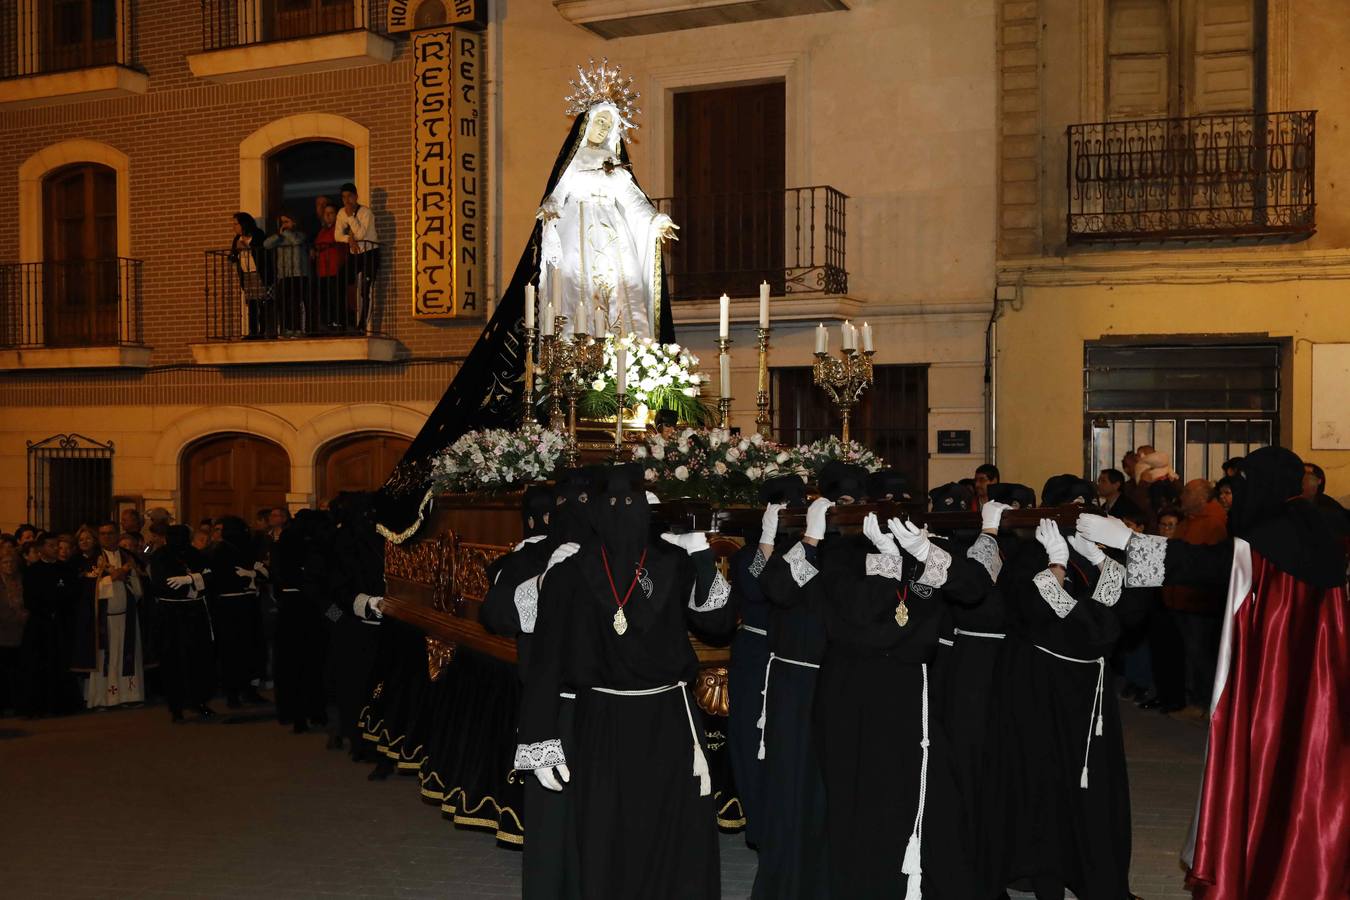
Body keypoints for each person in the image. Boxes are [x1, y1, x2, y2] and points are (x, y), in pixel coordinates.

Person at [1078, 446, 1350, 900]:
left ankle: (1266, 871)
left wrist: (1129, 542)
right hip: (1313, 681)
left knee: (1267, 772)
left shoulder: (1271, 533)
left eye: (1243, 483)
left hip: (1271, 685)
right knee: (1303, 775)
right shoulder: (1313, 526)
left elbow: (1207, 565)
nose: (1235, 496)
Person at [514, 465, 734, 899]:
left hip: (668, 722)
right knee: (605, 834)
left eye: (630, 504)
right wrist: (541, 742)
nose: (622, 514)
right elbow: (547, 659)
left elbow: (719, 621)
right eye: (613, 504)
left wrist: (702, 555)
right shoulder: (570, 571)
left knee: (671, 833)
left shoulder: (671, 562)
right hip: (601, 724)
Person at [760, 462, 978, 899]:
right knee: (857, 800)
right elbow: (864, 622)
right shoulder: (835, 557)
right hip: (851, 693)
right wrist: (810, 539)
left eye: (900, 503)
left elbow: (972, 590)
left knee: (922, 798)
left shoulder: (922, 550)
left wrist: (922, 553)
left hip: (907, 693)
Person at [478, 481, 584, 900]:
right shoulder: (533, 559)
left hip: (608, 707)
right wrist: (541, 584)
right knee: (553, 820)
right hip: (552, 704)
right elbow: (495, 612)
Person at [733, 473, 825, 899]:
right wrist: (768, 545)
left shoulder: (811, 547)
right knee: (753, 749)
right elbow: (755, 587)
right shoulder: (753, 552)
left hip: (793, 662)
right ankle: (765, 833)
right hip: (757, 658)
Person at [536, 100, 678, 340]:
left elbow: (633, 199)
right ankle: (575, 347)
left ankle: (628, 349)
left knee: (623, 285)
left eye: (609, 124)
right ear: (587, 122)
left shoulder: (615, 162)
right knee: (575, 284)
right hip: (577, 229)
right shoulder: (574, 159)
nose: (603, 128)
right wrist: (550, 207)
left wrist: (656, 220)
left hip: (612, 233)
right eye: (600, 121)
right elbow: (557, 193)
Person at [1165, 480, 1228, 720]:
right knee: (1192, 656)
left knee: (1201, 656)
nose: (1182, 496)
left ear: (1202, 497)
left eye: (1187, 492)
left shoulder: (1213, 524)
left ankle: (1205, 704)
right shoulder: (1189, 521)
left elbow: (1209, 567)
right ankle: (1197, 701)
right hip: (1181, 600)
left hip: (1198, 604)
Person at [74, 521, 151, 708]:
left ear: (118, 534)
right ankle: (103, 699)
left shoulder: (128, 556)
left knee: (127, 655)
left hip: (127, 617)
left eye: (110, 533)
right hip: (102, 620)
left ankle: (128, 696)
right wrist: (111, 578)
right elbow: (86, 590)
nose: (106, 537)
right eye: (102, 533)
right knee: (105, 659)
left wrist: (129, 576)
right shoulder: (92, 560)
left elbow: (141, 588)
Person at [149, 525, 216, 723]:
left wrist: (190, 579)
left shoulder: (195, 553)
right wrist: (193, 582)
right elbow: (164, 584)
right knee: (173, 660)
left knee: (198, 658)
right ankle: (176, 706)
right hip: (171, 614)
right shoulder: (160, 556)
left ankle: (199, 701)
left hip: (194, 612)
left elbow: (210, 576)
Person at [271, 511, 328, 733]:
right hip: (311, 612)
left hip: (289, 611)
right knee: (313, 664)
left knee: (289, 665)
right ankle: (315, 711)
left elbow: (277, 581)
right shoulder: (315, 548)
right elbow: (323, 589)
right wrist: (337, 618)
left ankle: (295, 714)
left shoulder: (282, 546)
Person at [207, 516, 268, 708]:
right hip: (231, 606)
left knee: (249, 648)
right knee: (232, 650)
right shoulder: (221, 551)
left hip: (245, 604)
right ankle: (233, 692)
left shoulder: (243, 549)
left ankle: (247, 689)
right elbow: (223, 578)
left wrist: (253, 576)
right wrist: (248, 578)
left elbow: (261, 572)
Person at [18, 533, 80, 716]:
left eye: (58, 546)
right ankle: (37, 706)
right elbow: (29, 599)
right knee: (38, 665)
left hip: (60, 624)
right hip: (39, 625)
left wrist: (60, 608)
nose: (56, 550)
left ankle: (62, 705)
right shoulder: (32, 571)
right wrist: (46, 610)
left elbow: (72, 594)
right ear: (41, 548)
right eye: (52, 546)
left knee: (60, 664)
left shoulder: (66, 569)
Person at [334, 182, 379, 332]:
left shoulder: (366, 213)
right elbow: (337, 236)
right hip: (355, 254)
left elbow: (360, 234)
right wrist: (350, 239)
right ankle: (344, 320)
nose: (346, 201)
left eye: (349, 197)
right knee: (341, 278)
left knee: (365, 290)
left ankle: (362, 326)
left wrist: (350, 217)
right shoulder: (341, 213)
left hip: (370, 253)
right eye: (343, 197)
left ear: (356, 197)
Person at [264, 211, 310, 336]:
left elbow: (296, 240)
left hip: (298, 274)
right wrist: (279, 235)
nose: (283, 225)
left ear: (294, 222)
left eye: (286, 222)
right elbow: (266, 244)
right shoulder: (280, 238)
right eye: (281, 222)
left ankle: (297, 329)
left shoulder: (300, 234)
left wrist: (285, 232)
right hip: (284, 275)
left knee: (294, 302)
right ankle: (286, 328)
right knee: (282, 302)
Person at [230, 212, 273, 339]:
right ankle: (253, 331)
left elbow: (261, 251)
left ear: (244, 224)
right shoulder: (236, 239)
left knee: (262, 302)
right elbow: (233, 257)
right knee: (252, 303)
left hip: (258, 272)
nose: (234, 227)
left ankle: (263, 331)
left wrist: (246, 246)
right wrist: (235, 253)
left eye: (236, 224)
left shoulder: (258, 234)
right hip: (246, 273)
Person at [311, 202, 348, 332]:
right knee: (325, 299)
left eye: (331, 213)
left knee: (335, 297)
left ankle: (338, 322)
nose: (327, 216)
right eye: (326, 213)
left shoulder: (339, 229)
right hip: (322, 270)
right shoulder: (322, 231)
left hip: (334, 268)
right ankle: (327, 323)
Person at [0, 545, 28, 715]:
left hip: (20, 632)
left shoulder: (21, 580)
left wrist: (24, 615)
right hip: (3, 632)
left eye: (11, 562)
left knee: (18, 671)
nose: (9, 565)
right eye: (5, 562)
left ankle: (17, 703)